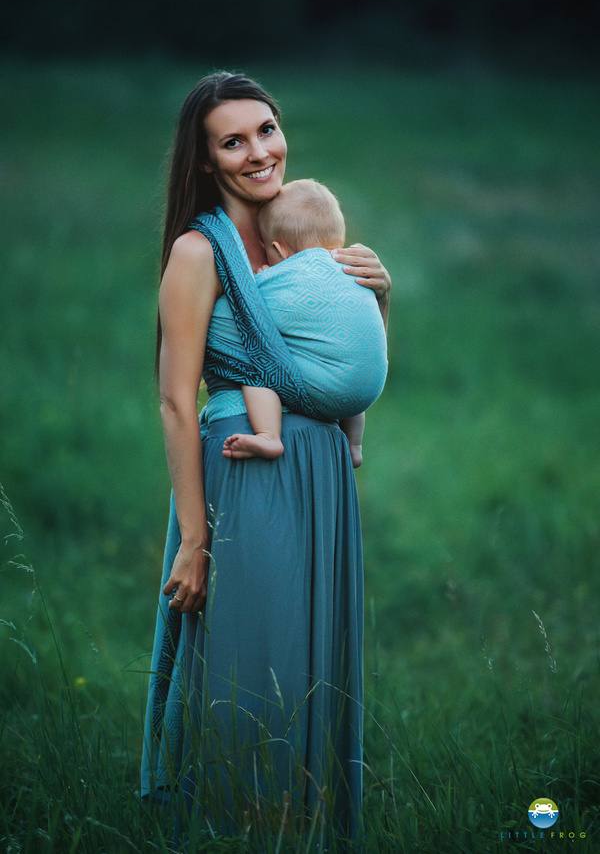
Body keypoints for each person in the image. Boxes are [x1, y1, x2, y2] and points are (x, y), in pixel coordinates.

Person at [141, 72, 391, 846]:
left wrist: (381, 297)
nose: (259, 152)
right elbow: (178, 400)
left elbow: (353, 362)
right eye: (233, 140)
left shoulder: (315, 236)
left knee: (316, 664)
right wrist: (193, 537)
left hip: (321, 471)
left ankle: (308, 830)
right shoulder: (198, 250)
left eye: (267, 129)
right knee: (252, 662)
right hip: (245, 467)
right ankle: (232, 830)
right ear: (207, 159)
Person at [220, 178, 388, 465]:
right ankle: (354, 446)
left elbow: (245, 308)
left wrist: (262, 278)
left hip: (331, 387)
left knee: (256, 358)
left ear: (279, 249)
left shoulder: (285, 277)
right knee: (348, 360)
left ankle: (268, 436)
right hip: (369, 388)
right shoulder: (353, 270)